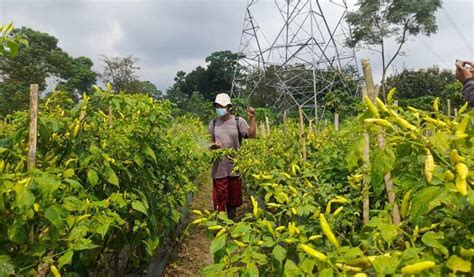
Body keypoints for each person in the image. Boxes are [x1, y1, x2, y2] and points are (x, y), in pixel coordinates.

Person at [208, 93, 257, 219]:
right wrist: (213, 146)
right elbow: (208, 144)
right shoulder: (213, 124)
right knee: (219, 196)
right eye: (218, 106)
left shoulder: (238, 121)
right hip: (219, 167)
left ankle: (231, 219)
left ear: (229, 107)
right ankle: (220, 222)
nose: (220, 108)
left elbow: (251, 135)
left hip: (234, 166)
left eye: (222, 106)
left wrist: (252, 118)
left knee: (233, 197)